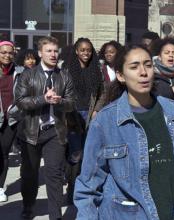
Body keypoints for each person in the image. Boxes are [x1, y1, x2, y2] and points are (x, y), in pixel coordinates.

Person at [74, 44, 174, 220]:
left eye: (148, 65)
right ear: (120, 75)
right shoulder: (105, 122)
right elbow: (88, 186)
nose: (143, 72)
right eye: (134, 67)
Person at [15, 36, 75, 219]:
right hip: (30, 132)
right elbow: (20, 101)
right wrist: (43, 99)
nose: (53, 54)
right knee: (29, 175)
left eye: (56, 51)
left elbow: (72, 103)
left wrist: (59, 102)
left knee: (54, 175)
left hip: (54, 132)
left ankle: (55, 215)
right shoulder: (27, 75)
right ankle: (28, 207)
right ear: (40, 53)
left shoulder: (64, 75)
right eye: (49, 51)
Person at [62, 37, 103, 204]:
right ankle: (71, 188)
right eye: (83, 50)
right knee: (75, 154)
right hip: (73, 115)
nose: (86, 53)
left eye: (89, 50)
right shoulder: (67, 69)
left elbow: (102, 93)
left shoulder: (96, 69)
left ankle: (83, 188)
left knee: (88, 155)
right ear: (77, 51)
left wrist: (97, 111)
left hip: (90, 115)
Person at [0, 40, 18, 202]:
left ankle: (0, 187)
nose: (7, 55)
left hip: (10, 120)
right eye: (3, 52)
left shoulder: (17, 73)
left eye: (9, 53)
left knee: (4, 154)